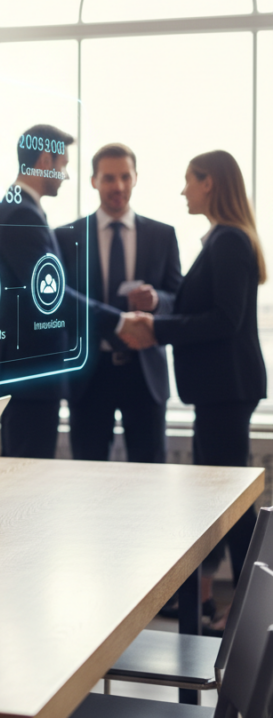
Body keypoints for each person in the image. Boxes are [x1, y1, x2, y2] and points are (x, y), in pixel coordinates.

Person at [120, 150, 267, 612]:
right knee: (220, 501)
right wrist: (162, 308)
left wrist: (157, 328)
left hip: (225, 390)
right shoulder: (223, 239)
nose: (183, 190)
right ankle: (213, 601)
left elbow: (224, 319)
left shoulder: (228, 242)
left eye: (189, 180)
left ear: (210, 184)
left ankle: (251, 613)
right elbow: (202, 306)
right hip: (220, 391)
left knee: (231, 503)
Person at [0, 124, 114, 458]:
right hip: (32, 374)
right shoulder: (22, 213)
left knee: (21, 473)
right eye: (62, 165)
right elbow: (50, 296)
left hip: (17, 372)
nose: (64, 175)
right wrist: (118, 321)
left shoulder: (6, 208)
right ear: (44, 160)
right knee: (27, 479)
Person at [54, 144, 182, 463]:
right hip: (90, 374)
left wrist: (156, 300)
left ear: (136, 177)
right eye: (109, 178)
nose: (119, 186)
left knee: (150, 475)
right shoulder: (66, 238)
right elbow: (60, 304)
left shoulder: (162, 235)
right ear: (94, 181)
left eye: (125, 177)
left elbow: (177, 299)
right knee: (88, 474)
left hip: (145, 373)